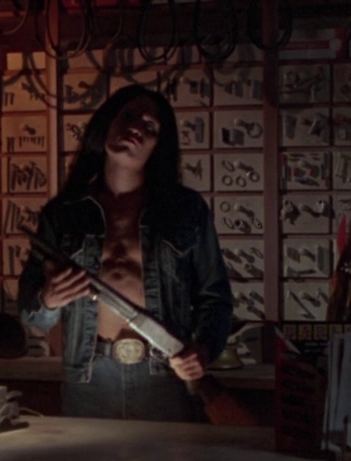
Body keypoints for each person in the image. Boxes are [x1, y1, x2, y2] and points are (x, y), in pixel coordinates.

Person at [17, 84, 233, 421]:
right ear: (107, 123)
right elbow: (31, 314)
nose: (135, 128)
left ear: (158, 145)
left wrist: (202, 350)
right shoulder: (63, 213)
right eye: (128, 116)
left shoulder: (186, 210)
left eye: (150, 127)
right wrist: (48, 300)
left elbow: (215, 296)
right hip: (88, 376)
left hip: (164, 374)